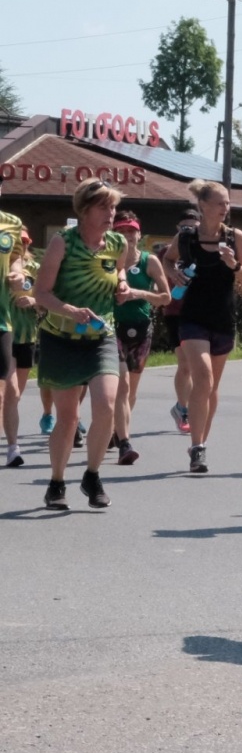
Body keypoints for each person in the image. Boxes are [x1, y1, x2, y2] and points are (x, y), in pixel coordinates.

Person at [33, 178, 132, 509]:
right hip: (61, 338)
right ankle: (56, 482)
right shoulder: (63, 242)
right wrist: (70, 310)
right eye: (103, 207)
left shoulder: (117, 243)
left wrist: (122, 284)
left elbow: (120, 272)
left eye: (113, 207)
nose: (110, 213)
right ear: (84, 210)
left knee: (106, 404)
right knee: (69, 418)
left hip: (101, 337)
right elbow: (41, 293)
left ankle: (92, 475)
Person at [164, 181, 242, 473]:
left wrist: (234, 265)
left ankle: (201, 441)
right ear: (203, 205)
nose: (225, 208)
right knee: (202, 378)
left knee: (212, 386)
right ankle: (197, 448)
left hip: (223, 318)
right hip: (193, 318)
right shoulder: (186, 237)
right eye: (219, 203)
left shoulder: (235, 237)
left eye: (227, 203)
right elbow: (167, 259)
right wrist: (173, 274)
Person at [108, 211, 169, 466]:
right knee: (121, 386)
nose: (127, 236)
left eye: (131, 231)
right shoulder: (107, 261)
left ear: (139, 234)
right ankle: (125, 442)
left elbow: (166, 297)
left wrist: (138, 293)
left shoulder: (149, 261)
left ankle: (117, 429)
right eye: (121, 231)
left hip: (141, 329)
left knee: (130, 391)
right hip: (112, 328)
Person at [160, 206, 200, 434]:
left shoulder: (203, 249)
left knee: (197, 367)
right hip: (175, 311)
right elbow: (160, 276)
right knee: (185, 364)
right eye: (184, 227)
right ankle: (182, 408)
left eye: (193, 227)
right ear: (177, 228)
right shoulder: (168, 252)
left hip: (199, 312)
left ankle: (188, 407)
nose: (188, 231)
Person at [4, 229, 40, 467]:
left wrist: (34, 301)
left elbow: (48, 299)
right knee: (11, 391)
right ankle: (13, 448)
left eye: (24, 242)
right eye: (17, 242)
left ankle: (9, 434)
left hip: (27, 336)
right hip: (5, 334)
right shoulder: (2, 270)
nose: (21, 246)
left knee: (15, 397)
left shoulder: (35, 269)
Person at [0, 183, 24, 468]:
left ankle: (12, 448)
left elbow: (16, 257)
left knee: (5, 388)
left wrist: (18, 274)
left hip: (2, 318)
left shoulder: (12, 223)